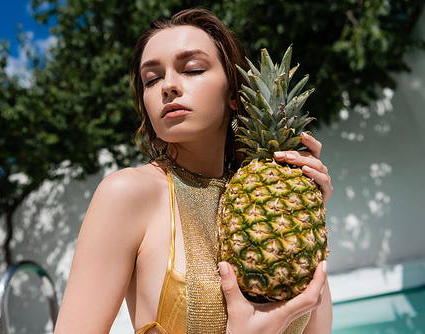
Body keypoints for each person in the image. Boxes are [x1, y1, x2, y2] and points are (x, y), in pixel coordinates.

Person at [54, 8, 333, 334]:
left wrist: (303, 213)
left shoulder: (257, 198)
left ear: (234, 94)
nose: (168, 86)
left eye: (193, 69)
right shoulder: (128, 193)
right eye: (152, 79)